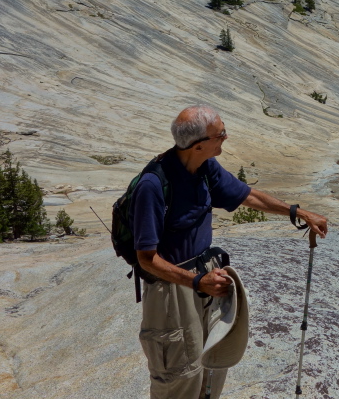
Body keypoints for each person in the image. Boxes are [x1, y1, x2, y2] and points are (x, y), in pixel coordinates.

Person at [130, 105, 328, 399]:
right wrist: (196, 282)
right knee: (179, 374)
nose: (226, 136)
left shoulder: (204, 167)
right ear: (199, 145)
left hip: (207, 275)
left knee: (214, 360)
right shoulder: (154, 184)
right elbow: (146, 259)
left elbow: (247, 195)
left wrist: (298, 212)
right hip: (172, 290)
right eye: (220, 133)